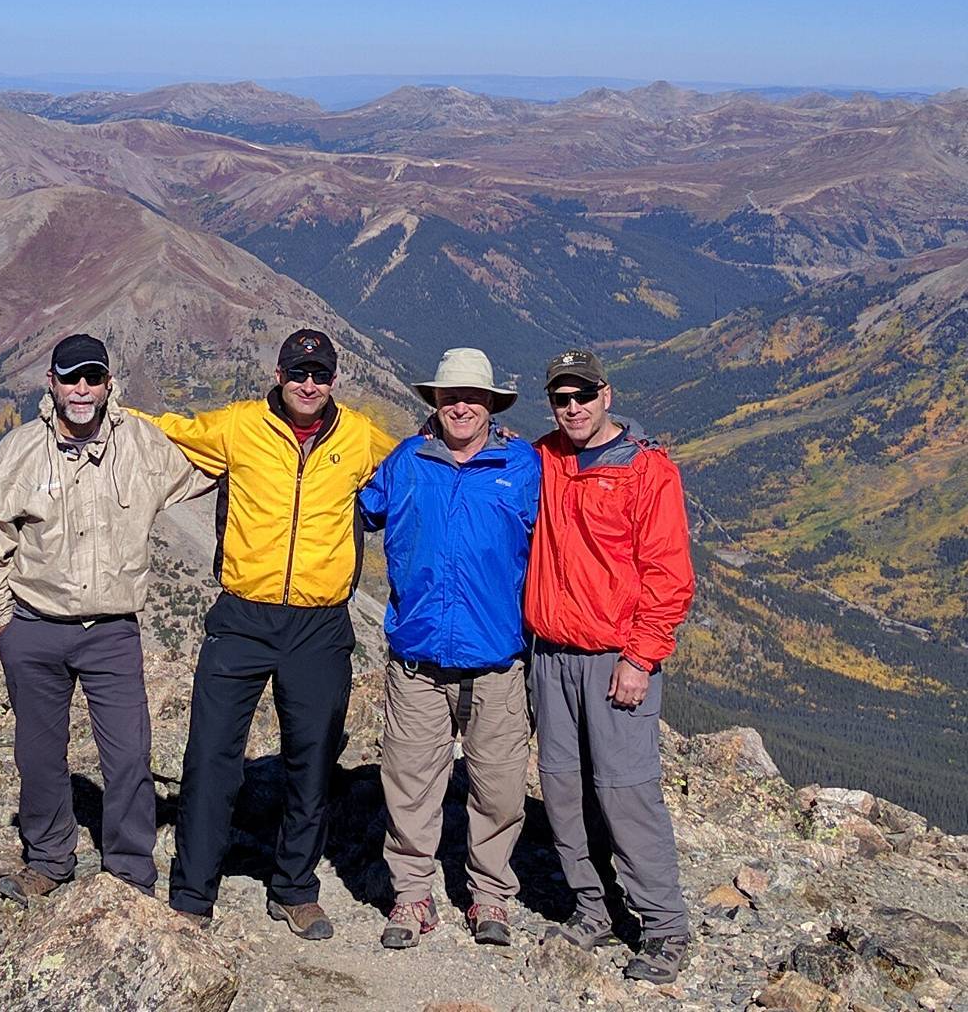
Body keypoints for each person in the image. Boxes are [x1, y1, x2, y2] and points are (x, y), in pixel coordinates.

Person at [135, 329, 394, 939]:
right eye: (299, 373)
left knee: (312, 760)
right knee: (210, 755)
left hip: (320, 623)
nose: (310, 385)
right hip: (243, 617)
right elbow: (168, 429)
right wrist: (103, 407)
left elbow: (421, 461)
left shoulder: (359, 437)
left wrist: (488, 443)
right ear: (279, 374)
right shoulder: (238, 426)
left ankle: (295, 888)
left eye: (321, 375)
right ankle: (194, 891)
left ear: (334, 381)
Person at [0, 334, 212, 906]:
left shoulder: (142, 446)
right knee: (39, 755)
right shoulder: (19, 452)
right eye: (70, 378)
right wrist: (4, 625)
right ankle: (49, 859)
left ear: (107, 384)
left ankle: (129, 872)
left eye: (92, 378)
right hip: (33, 626)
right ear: (51, 381)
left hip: (113, 631)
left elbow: (210, 468)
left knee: (127, 755)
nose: (81, 390)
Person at [359, 348, 540, 949]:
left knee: (500, 786)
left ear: (493, 404)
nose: (461, 405)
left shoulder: (524, 464)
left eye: (473, 396)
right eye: (450, 395)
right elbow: (355, 507)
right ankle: (412, 898)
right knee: (410, 782)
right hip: (418, 661)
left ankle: (490, 894)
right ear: (434, 401)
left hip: (497, 661)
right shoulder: (406, 461)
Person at [524, 348, 695, 984]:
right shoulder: (544, 457)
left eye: (583, 396)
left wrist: (641, 657)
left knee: (626, 795)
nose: (573, 408)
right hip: (551, 655)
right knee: (564, 791)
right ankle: (592, 908)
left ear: (607, 394)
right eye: (561, 399)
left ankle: (664, 927)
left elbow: (669, 576)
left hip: (614, 657)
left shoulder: (646, 471)